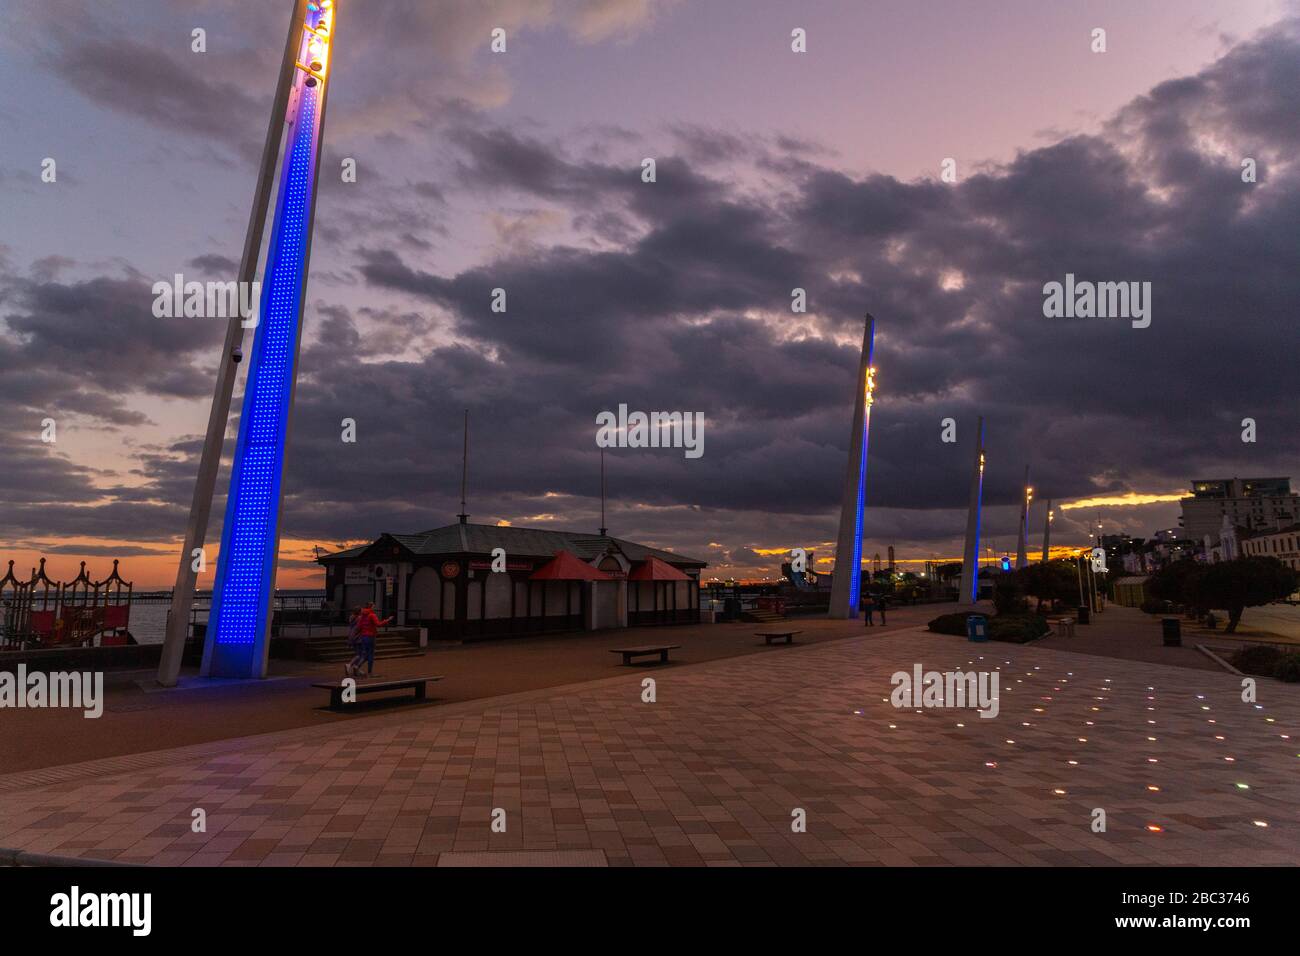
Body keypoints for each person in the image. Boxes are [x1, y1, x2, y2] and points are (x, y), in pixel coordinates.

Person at [351, 601, 392, 678]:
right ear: (371, 607)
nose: (374, 607)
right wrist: (387, 620)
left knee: (365, 654)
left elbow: (358, 627)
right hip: (370, 637)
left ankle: (357, 666)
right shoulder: (372, 615)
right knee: (371, 655)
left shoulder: (363, 615)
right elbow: (378, 624)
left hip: (363, 637)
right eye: (373, 606)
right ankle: (369, 672)